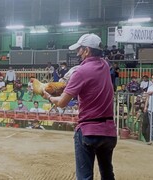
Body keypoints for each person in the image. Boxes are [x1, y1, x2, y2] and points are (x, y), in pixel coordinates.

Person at [43, 33, 117, 179]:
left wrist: (49, 97)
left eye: (80, 50)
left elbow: (62, 103)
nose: (78, 53)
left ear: (87, 50)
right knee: (107, 174)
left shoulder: (80, 72)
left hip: (88, 130)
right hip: (109, 131)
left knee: (84, 177)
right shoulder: (105, 65)